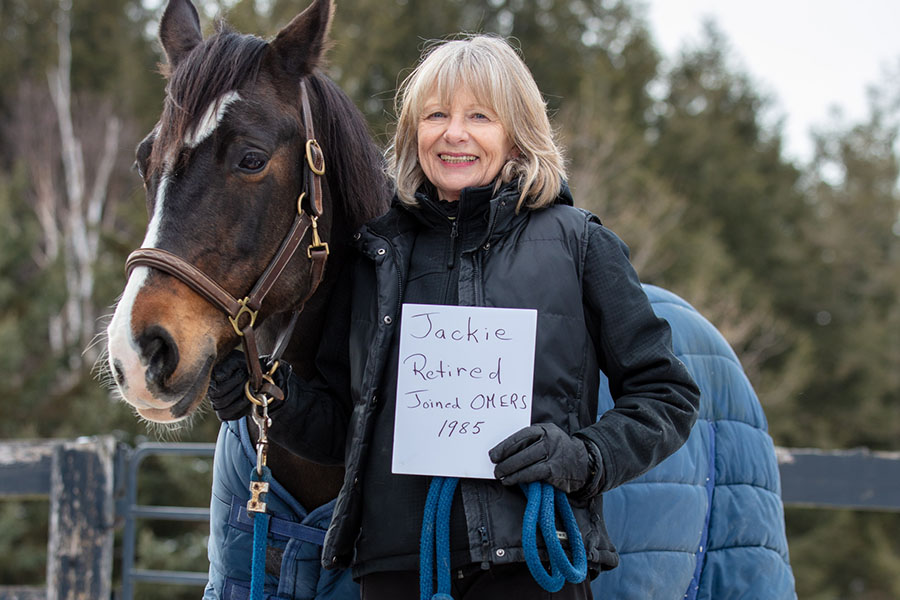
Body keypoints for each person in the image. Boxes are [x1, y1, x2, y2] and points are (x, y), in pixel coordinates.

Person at [209, 34, 700, 600]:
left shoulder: (581, 246)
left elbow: (667, 394)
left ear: (516, 132)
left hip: (531, 564)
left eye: (480, 116)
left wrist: (585, 457)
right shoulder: (375, 257)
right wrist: (270, 401)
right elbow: (352, 430)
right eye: (435, 114)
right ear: (413, 132)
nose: (454, 133)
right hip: (397, 569)